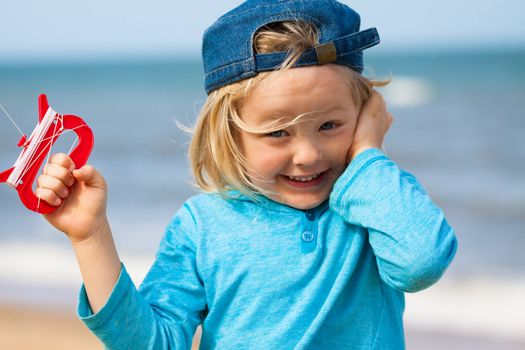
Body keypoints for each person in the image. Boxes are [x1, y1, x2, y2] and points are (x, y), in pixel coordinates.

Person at [36, 0, 458, 349]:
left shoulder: (375, 199)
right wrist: (90, 236)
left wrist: (367, 154)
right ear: (229, 135)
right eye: (277, 132)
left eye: (330, 125)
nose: (308, 155)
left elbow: (421, 263)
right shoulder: (202, 226)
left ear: (367, 114)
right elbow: (154, 342)